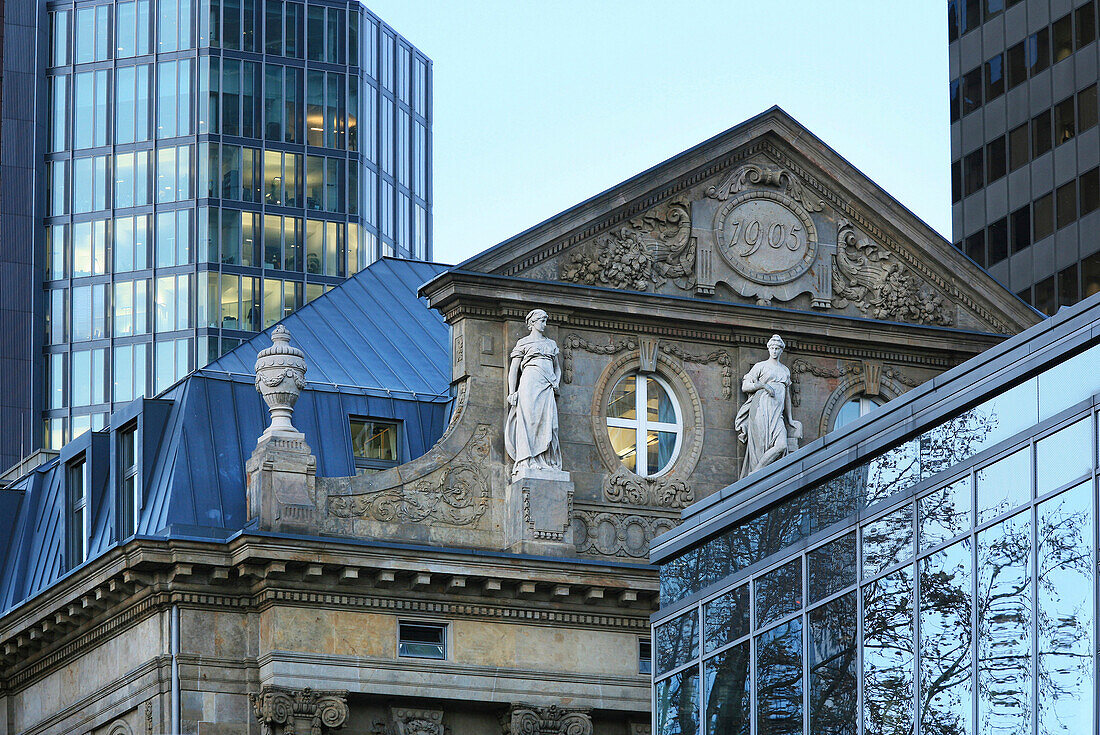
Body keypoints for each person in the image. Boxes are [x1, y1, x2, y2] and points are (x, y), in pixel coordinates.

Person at [505, 309, 564, 479]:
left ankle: (546, 460)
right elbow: (514, 370)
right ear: (532, 323)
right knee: (529, 420)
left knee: (550, 424)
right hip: (529, 383)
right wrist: (512, 392)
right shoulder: (523, 343)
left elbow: (557, 368)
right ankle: (527, 460)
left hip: (547, 385)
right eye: (541, 320)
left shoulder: (550, 344)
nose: (544, 324)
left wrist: (555, 383)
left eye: (545, 321)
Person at [735, 334, 802, 478]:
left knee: (782, 445)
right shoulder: (761, 366)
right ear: (768, 348)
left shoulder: (785, 370)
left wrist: (789, 419)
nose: (774, 351)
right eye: (772, 348)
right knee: (760, 448)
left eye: (777, 348)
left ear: (781, 350)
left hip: (777, 415)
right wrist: (763, 386)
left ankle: (755, 473)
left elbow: (787, 396)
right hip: (761, 410)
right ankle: (756, 477)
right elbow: (746, 386)